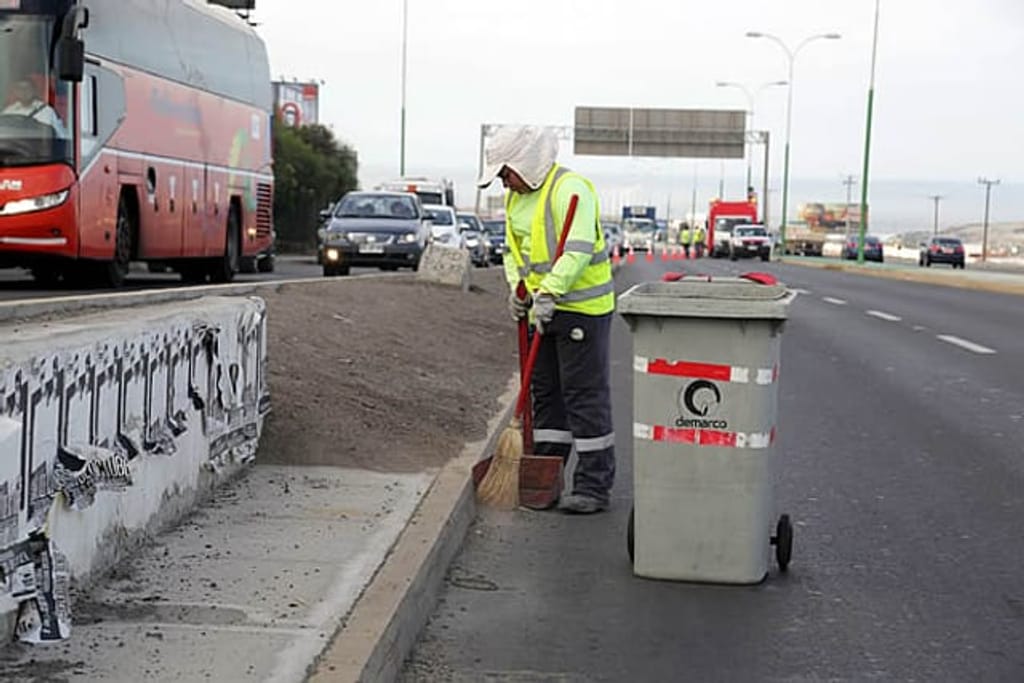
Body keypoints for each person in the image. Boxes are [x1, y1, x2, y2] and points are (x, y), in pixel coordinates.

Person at [477, 125, 615, 514]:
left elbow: (578, 250)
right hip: (541, 310)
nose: (505, 184)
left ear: (526, 163)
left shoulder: (572, 190)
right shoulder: (515, 201)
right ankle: (547, 475)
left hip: (581, 311)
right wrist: (518, 290)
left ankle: (593, 485)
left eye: (506, 174)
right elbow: (513, 253)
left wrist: (552, 290)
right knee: (548, 397)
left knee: (583, 396)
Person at [2, 79, 67, 137]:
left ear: (34, 90)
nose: (24, 92)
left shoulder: (48, 111)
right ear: (15, 92)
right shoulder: (8, 111)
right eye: (20, 89)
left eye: (27, 88)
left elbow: (60, 136)